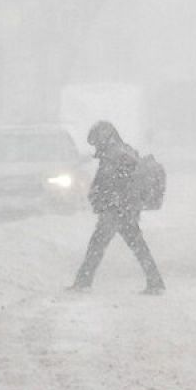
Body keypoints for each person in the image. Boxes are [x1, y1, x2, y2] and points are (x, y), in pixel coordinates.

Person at [70, 121, 165, 294]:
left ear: (103, 137)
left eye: (95, 141)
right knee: (137, 246)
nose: (95, 145)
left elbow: (111, 182)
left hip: (116, 209)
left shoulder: (115, 155)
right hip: (124, 208)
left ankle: (83, 282)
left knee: (97, 246)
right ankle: (155, 282)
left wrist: (102, 197)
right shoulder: (122, 151)